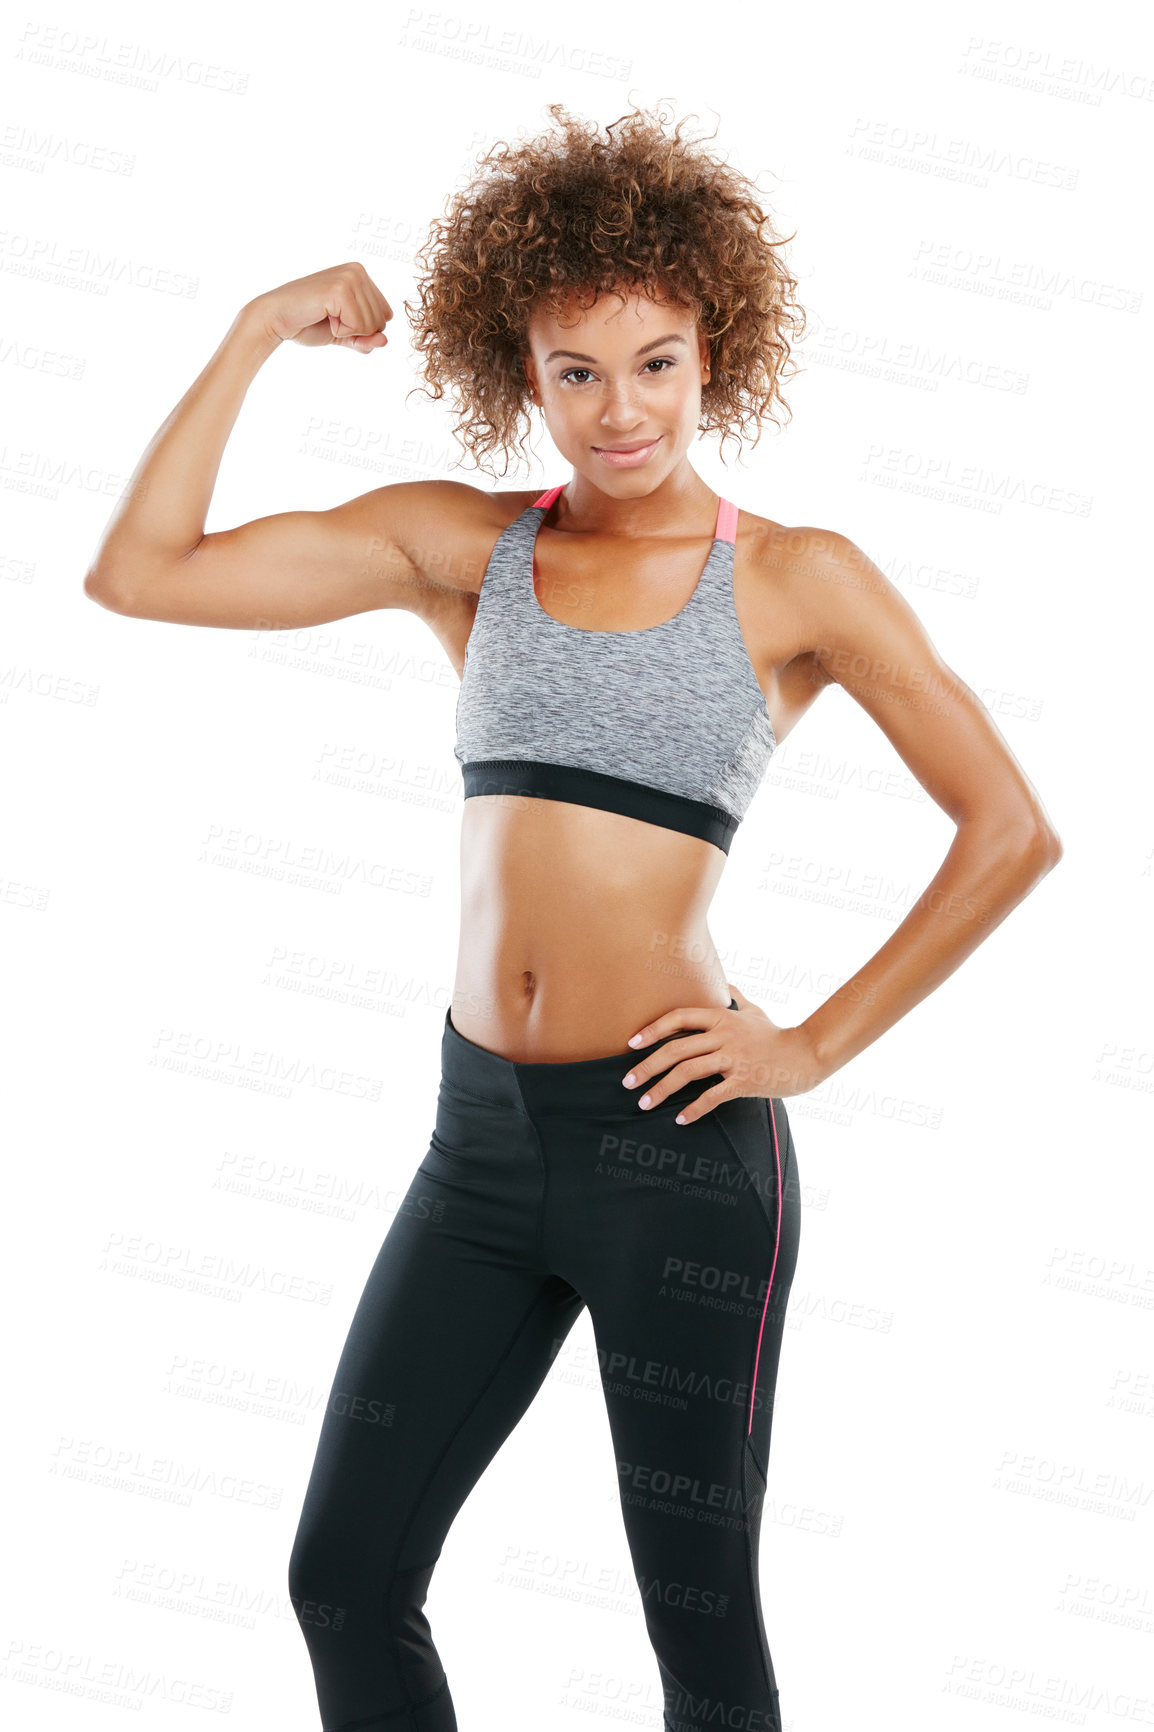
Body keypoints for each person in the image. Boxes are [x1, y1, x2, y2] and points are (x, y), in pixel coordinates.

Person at [84, 102, 1062, 1732]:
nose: (622, 412)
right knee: (344, 1579)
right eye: (576, 372)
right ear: (516, 373)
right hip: (477, 1142)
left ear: (714, 352)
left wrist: (808, 1046)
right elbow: (140, 573)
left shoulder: (797, 579)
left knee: (695, 1631)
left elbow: (1009, 830)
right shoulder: (465, 549)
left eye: (659, 362)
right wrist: (255, 328)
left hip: (673, 1141)